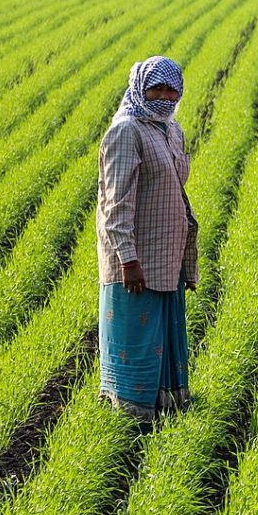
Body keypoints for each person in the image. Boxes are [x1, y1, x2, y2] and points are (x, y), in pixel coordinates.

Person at [96, 55, 198, 422]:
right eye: (157, 88)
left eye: (173, 90)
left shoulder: (171, 130)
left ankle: (164, 410)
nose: (165, 96)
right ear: (140, 88)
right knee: (136, 341)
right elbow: (115, 203)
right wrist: (128, 259)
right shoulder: (127, 131)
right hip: (136, 258)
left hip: (165, 253)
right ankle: (128, 419)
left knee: (161, 335)